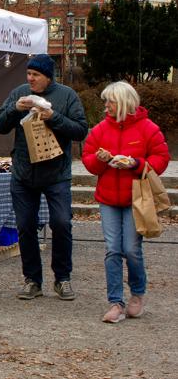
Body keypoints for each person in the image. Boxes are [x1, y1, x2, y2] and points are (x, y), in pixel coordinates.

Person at [0, 54, 88, 301]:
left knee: (62, 223)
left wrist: (54, 117)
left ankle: (62, 278)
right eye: (28, 74)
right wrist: (14, 109)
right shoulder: (19, 94)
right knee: (25, 226)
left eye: (35, 75)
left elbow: (81, 130)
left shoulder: (67, 96)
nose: (30, 78)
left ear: (48, 76)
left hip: (56, 174)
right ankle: (32, 280)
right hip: (23, 173)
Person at [82, 81, 169, 323]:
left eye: (110, 102)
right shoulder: (100, 129)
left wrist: (135, 164)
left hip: (136, 199)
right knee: (112, 249)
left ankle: (137, 293)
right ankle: (116, 302)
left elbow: (161, 158)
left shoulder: (148, 129)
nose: (106, 106)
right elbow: (88, 160)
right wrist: (100, 160)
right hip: (108, 198)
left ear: (123, 103)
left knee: (131, 249)